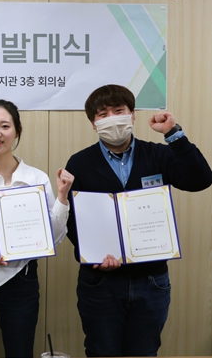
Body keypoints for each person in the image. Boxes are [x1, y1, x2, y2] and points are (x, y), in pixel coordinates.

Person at [65, 84, 212, 357]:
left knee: (144, 352)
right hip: (100, 283)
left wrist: (173, 134)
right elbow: (73, 219)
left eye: (118, 111)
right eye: (103, 114)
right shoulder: (80, 163)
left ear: (132, 114)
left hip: (151, 280)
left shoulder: (158, 154)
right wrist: (93, 255)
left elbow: (200, 180)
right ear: (93, 123)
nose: (112, 119)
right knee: (101, 352)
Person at [0, 99, 73, 358]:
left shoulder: (36, 178)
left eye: (5, 126)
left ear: (17, 131)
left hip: (21, 278)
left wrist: (62, 197)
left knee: (20, 351)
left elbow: (53, 238)